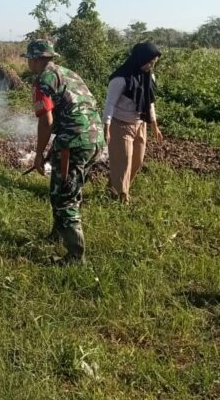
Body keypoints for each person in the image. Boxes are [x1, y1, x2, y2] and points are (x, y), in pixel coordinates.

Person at [24, 39, 104, 263]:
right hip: (95, 139)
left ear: (36, 59)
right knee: (62, 189)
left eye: (29, 59)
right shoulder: (69, 74)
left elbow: (45, 122)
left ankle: (75, 256)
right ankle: (58, 233)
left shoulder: (43, 81)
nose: (28, 63)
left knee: (65, 198)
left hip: (74, 143)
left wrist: (39, 155)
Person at [104, 42, 163, 203]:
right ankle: (122, 198)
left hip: (140, 124)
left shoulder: (149, 76)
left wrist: (154, 126)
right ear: (140, 59)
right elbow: (110, 104)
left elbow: (150, 102)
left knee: (137, 161)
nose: (151, 66)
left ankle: (113, 189)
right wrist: (107, 126)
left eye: (154, 63)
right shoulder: (120, 79)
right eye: (149, 62)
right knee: (123, 162)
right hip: (120, 124)